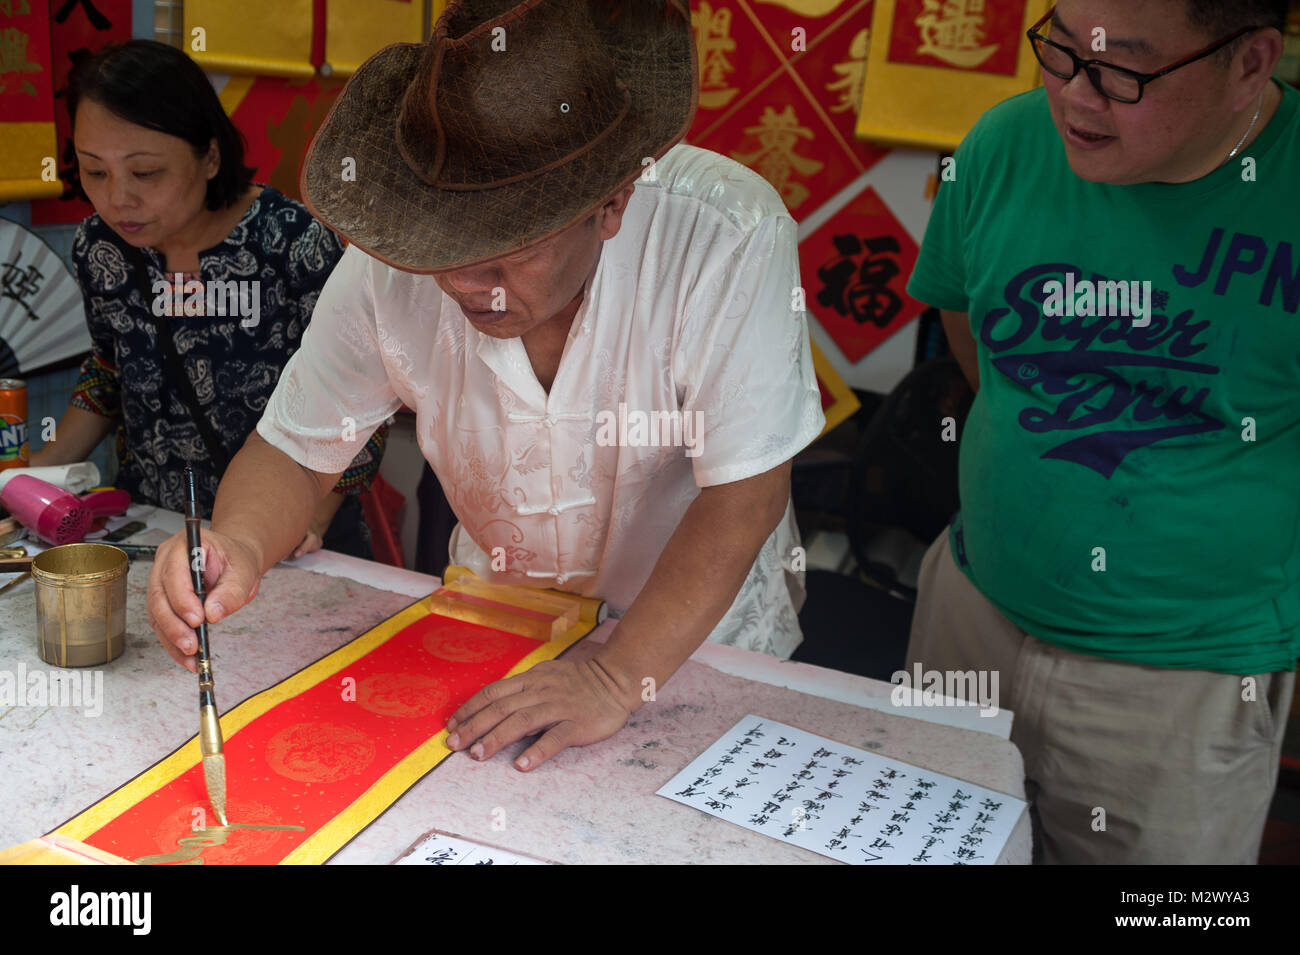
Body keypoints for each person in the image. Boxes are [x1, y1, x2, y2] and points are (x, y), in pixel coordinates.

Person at [146, 0, 824, 770]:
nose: (465, 280)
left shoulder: (725, 234)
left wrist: (610, 672)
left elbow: (745, 495)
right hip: (496, 625)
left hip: (691, 643)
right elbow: (300, 452)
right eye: (447, 240)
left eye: (507, 247)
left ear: (610, 204)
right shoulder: (394, 263)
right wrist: (236, 541)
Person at [904, 0, 1296, 863]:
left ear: (1248, 63)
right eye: (1061, 49)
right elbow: (978, 338)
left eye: (1124, 70)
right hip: (971, 615)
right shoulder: (1004, 144)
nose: (1076, 97)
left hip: (1181, 680)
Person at [30, 39, 386, 558]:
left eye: (145, 172)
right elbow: (111, 368)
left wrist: (310, 519)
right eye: (95, 171)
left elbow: (361, 400)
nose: (117, 198)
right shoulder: (101, 248)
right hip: (154, 526)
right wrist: (42, 470)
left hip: (289, 538)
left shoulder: (291, 242)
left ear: (210, 157)